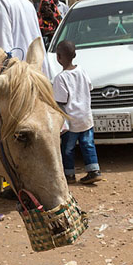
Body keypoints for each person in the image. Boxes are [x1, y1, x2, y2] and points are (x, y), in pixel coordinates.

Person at [53, 40, 101, 185]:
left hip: (71, 121)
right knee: (88, 144)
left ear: (58, 57)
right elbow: (89, 87)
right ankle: (94, 171)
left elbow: (61, 100)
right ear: (75, 54)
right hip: (86, 117)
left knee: (68, 148)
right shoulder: (82, 70)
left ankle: (69, 175)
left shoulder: (60, 78)